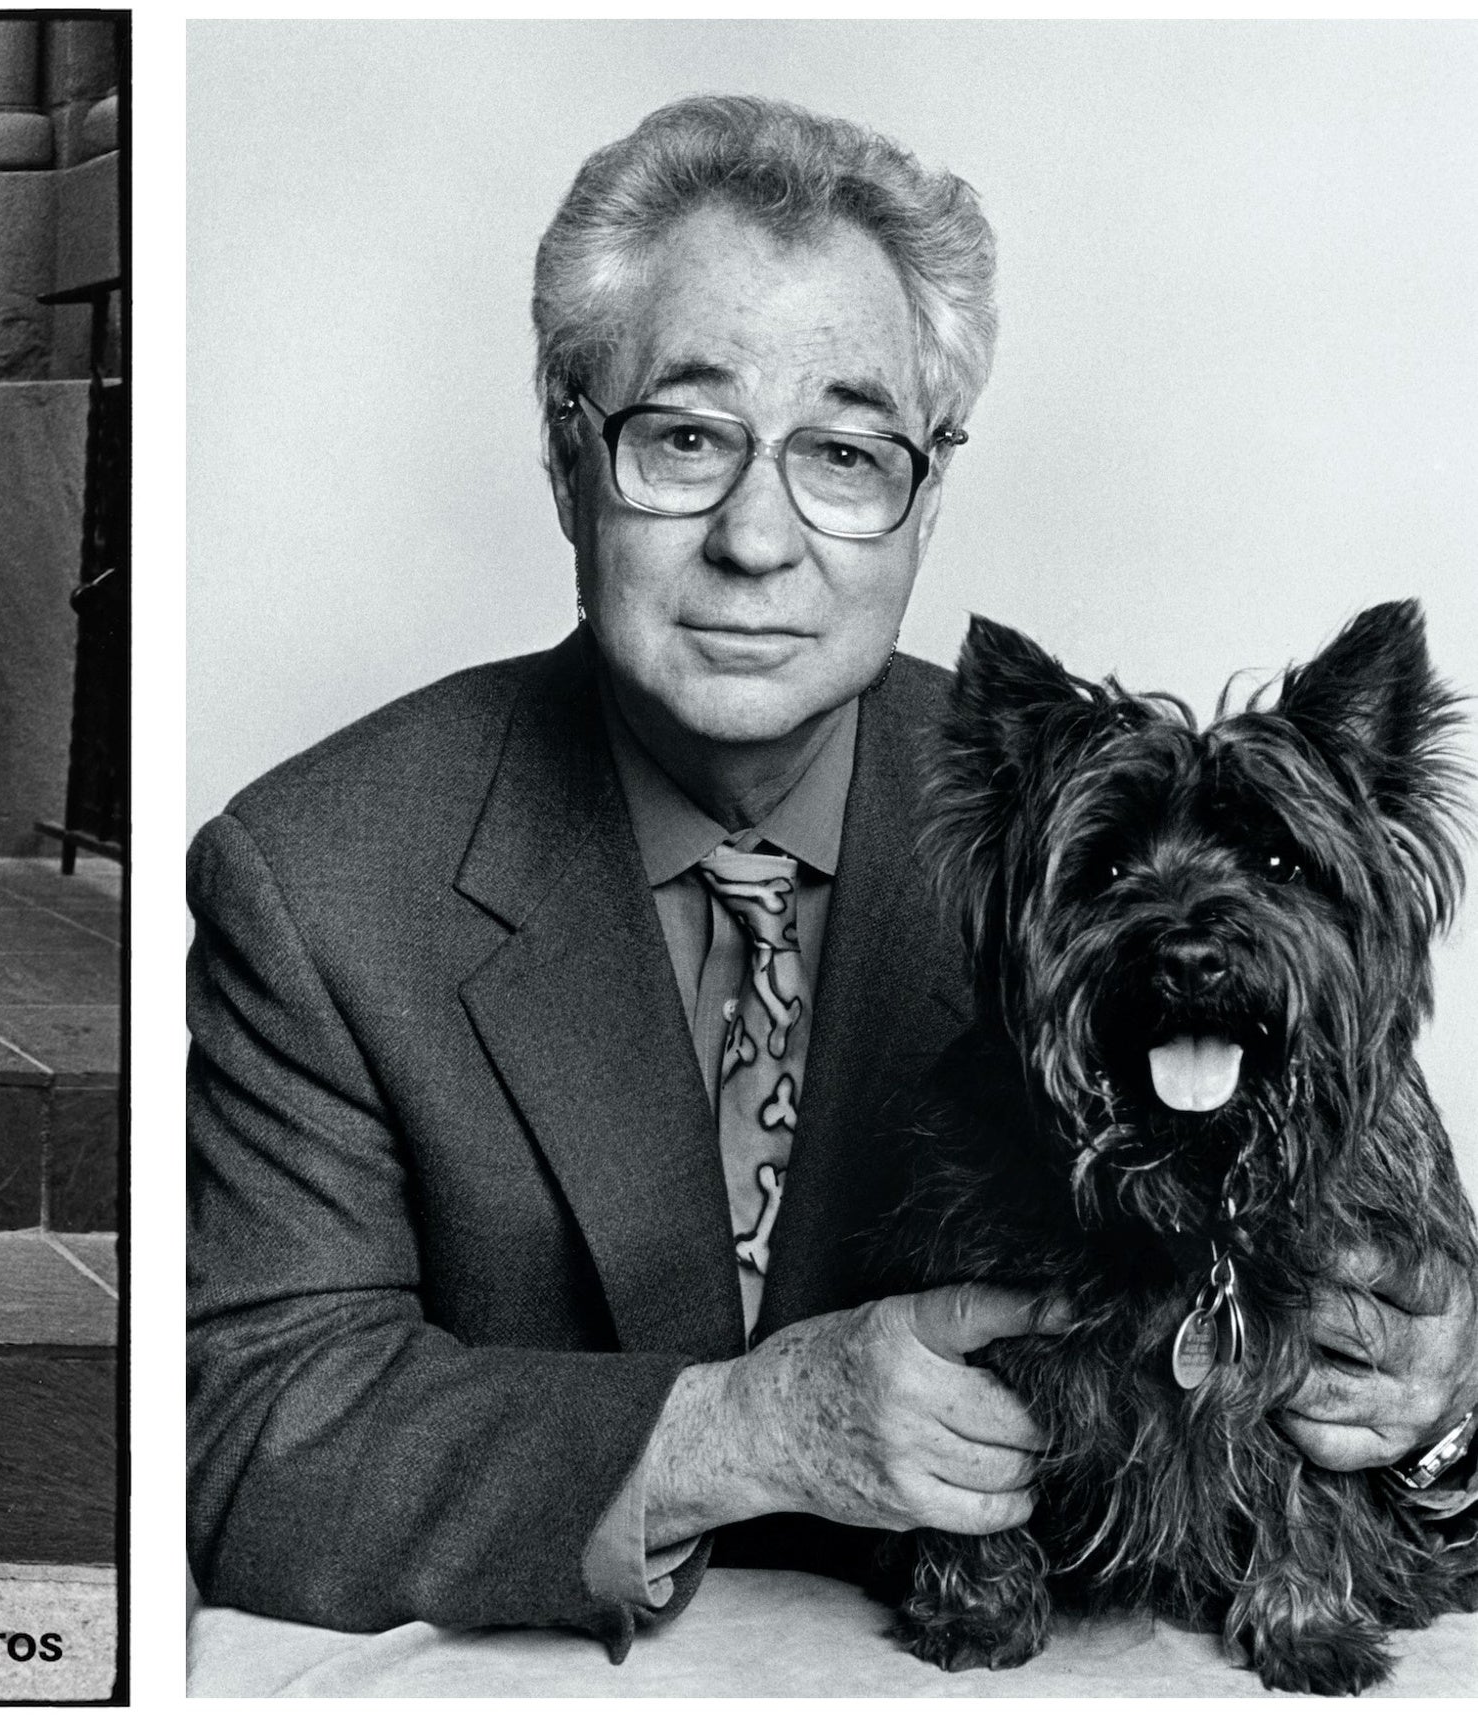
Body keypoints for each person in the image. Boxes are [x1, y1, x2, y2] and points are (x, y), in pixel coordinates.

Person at [184, 93, 1478, 1650]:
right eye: (684, 435)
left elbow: (1403, 1293)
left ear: (925, 498)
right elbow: (254, 1438)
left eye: (846, 453)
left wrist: (1442, 1405)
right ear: (564, 460)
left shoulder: (1085, 841)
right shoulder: (318, 877)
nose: (758, 535)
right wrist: (735, 1430)